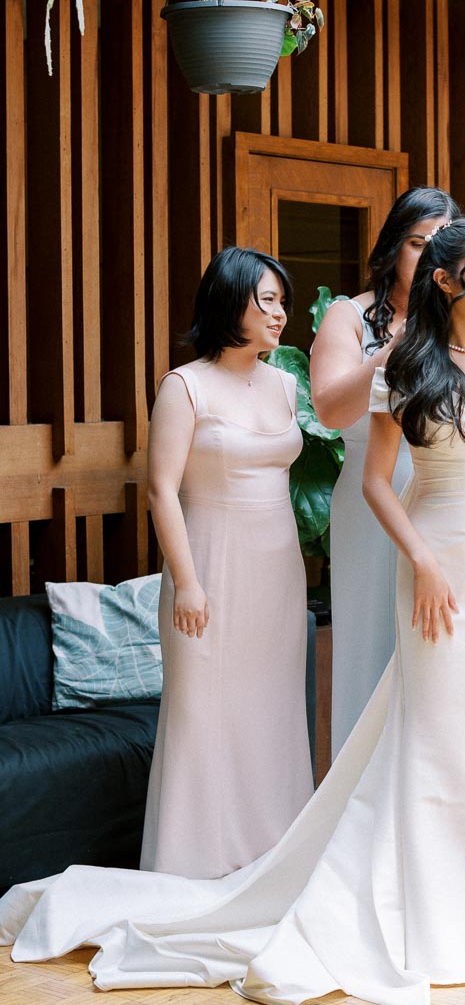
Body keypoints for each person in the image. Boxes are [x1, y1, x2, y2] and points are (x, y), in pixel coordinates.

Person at [0, 219, 465, 1005]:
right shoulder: (226, 380)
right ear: (447, 279)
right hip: (355, 557)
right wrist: (419, 560)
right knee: (421, 736)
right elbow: (351, 478)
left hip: (452, 565)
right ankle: (371, 905)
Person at [142, 247, 312, 879]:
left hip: (278, 566)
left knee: (269, 713)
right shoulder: (184, 385)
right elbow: (162, 488)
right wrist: (187, 582)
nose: (279, 313)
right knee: (203, 715)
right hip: (207, 560)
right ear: (227, 302)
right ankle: (195, 868)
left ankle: (269, 863)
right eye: (265, 299)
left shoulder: (288, 383)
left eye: (282, 301)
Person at [311, 187, 460, 758]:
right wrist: (391, 349)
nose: (427, 258)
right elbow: (328, 408)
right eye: (418, 243)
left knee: (435, 646)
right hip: (372, 499)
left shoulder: (463, 319)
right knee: (373, 644)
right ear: (395, 246)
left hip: (446, 493)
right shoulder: (350, 315)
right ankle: (359, 802)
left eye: (441, 247)